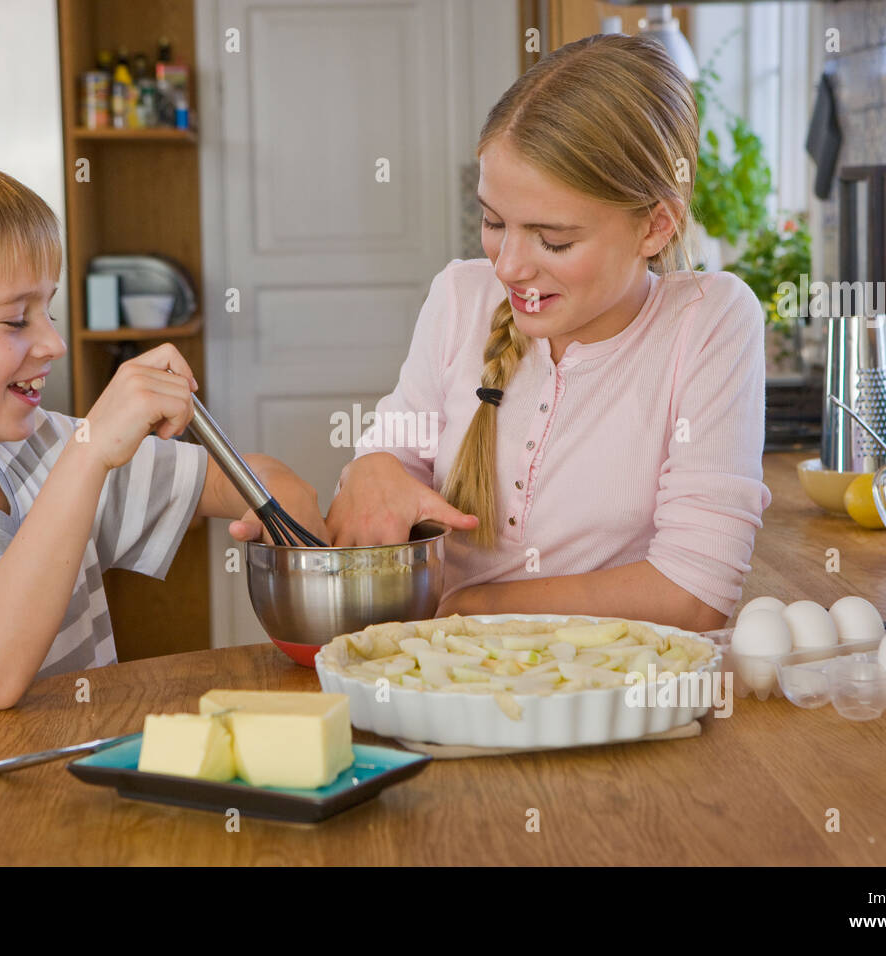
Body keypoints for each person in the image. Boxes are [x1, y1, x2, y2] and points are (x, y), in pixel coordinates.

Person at [0, 157, 325, 763]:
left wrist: (285, 514)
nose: (54, 343)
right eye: (15, 320)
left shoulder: (38, 447)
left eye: (49, 309)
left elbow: (266, 484)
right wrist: (89, 454)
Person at [326, 33, 772, 632]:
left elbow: (695, 592)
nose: (508, 265)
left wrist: (470, 609)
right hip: (445, 682)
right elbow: (397, 458)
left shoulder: (708, 321)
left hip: (614, 697)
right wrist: (374, 466)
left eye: (553, 239)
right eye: (492, 221)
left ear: (656, 226)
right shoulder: (461, 297)